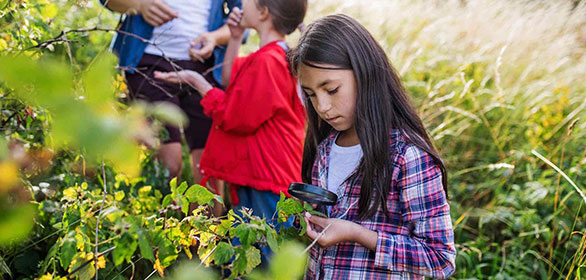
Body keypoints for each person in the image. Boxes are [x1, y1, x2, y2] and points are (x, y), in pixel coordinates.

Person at [287, 14, 456, 279]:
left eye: (331, 90)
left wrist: (359, 234)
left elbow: (440, 258)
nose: (322, 107)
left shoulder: (407, 156)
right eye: (310, 94)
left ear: (365, 74)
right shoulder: (325, 149)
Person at [154, 0, 307, 263]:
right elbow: (231, 83)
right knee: (251, 252)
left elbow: (236, 117)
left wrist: (200, 85)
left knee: (260, 257)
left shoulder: (268, 62)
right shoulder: (272, 55)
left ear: (263, 12)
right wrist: (234, 39)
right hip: (261, 175)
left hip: (267, 179)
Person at [98, 0, 242, 195]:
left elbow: (243, 16)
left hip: (204, 67)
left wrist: (214, 37)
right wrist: (140, 5)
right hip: (149, 63)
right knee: (169, 166)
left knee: (209, 173)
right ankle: (160, 222)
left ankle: (205, 227)